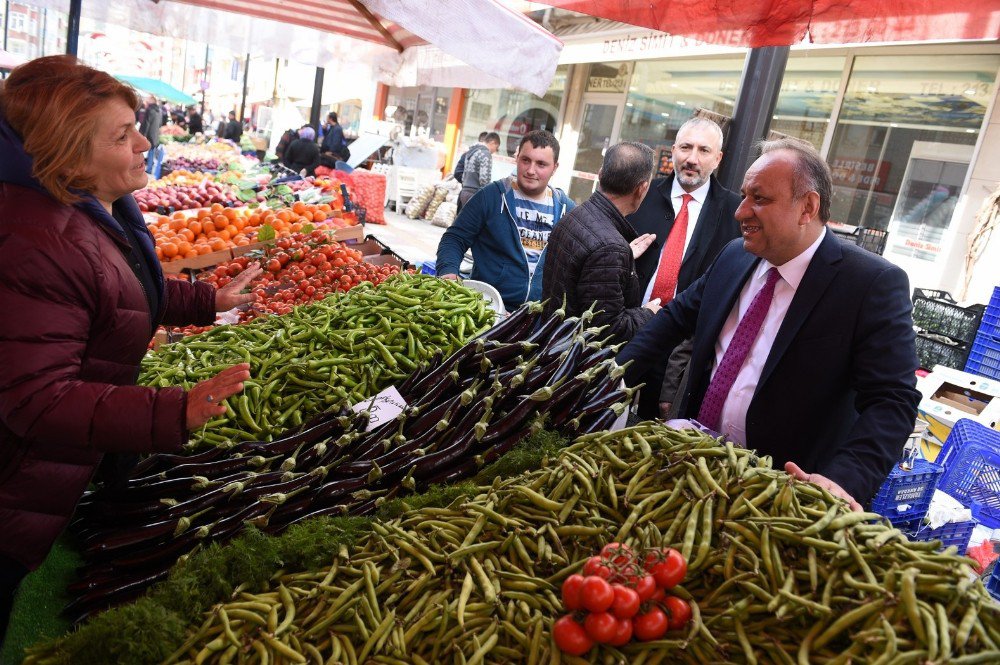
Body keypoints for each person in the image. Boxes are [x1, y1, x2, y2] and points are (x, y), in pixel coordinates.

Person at [0, 55, 261, 646]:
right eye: (122, 135)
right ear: (70, 153)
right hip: (12, 482)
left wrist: (206, 299)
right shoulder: (36, 241)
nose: (145, 141)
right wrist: (172, 411)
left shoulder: (78, 209)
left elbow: (115, 289)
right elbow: (37, 400)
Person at [617, 138, 921, 509]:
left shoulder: (869, 284)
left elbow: (893, 400)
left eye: (759, 199)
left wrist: (844, 480)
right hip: (693, 472)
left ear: (807, 207)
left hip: (780, 499)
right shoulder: (734, 257)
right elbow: (677, 317)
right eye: (744, 196)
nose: (740, 211)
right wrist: (613, 380)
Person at [627, 117, 742, 418]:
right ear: (673, 150)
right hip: (627, 334)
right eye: (686, 148)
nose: (692, 159)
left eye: (704, 151)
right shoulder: (641, 196)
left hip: (679, 357)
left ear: (718, 159)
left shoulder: (735, 213)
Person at [436, 130, 575, 312]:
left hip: (537, 317)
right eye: (526, 160)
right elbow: (455, 238)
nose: (531, 170)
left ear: (555, 168)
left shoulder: (566, 209)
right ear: (516, 158)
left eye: (541, 164)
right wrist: (448, 271)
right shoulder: (491, 196)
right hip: (486, 309)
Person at [542, 141, 660, 344]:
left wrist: (623, 257)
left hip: (550, 341)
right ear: (642, 189)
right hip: (569, 363)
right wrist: (648, 313)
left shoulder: (575, 214)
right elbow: (607, 329)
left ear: (600, 174)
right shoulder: (610, 247)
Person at [458, 132, 501, 210]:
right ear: (492, 143)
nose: (495, 151)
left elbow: (464, 174)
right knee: (474, 221)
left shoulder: (472, 151)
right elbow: (484, 179)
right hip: (475, 193)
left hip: (464, 191)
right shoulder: (485, 153)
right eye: (496, 147)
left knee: (465, 220)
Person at [138, 95, 162, 173]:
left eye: (148, 99)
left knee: (149, 150)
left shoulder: (150, 110)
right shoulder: (159, 110)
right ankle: (150, 167)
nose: (147, 101)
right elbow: (160, 123)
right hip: (155, 133)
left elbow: (146, 123)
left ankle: (148, 169)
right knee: (152, 150)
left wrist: (142, 134)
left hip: (150, 133)